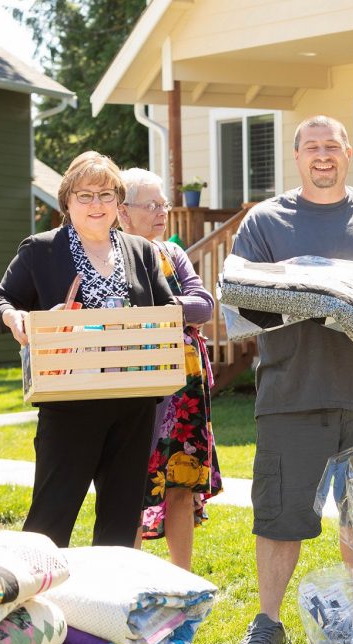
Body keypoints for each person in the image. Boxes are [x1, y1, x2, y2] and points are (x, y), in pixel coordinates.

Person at [228, 115, 353, 644]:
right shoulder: (265, 221)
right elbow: (240, 303)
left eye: (332, 146)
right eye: (312, 146)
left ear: (347, 153)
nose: (323, 155)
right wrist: (309, 293)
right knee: (280, 516)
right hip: (293, 393)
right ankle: (267, 624)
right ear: (297, 157)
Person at [0, 151, 175, 548]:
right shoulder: (41, 250)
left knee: (121, 522)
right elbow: (0, 301)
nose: (96, 205)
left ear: (118, 204)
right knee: (50, 521)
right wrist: (16, 319)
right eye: (85, 195)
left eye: (106, 195)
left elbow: (168, 307)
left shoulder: (140, 251)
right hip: (69, 402)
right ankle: (36, 604)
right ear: (67, 201)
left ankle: (106, 607)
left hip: (133, 402)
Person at [117, 168, 223, 572]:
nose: (163, 212)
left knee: (181, 484)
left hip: (184, 394)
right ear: (123, 212)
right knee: (129, 487)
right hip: (133, 389)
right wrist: (174, 313)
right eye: (152, 205)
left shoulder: (172, 254)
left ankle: (183, 580)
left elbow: (203, 305)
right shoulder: (110, 256)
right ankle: (129, 580)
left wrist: (163, 310)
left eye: (164, 204)